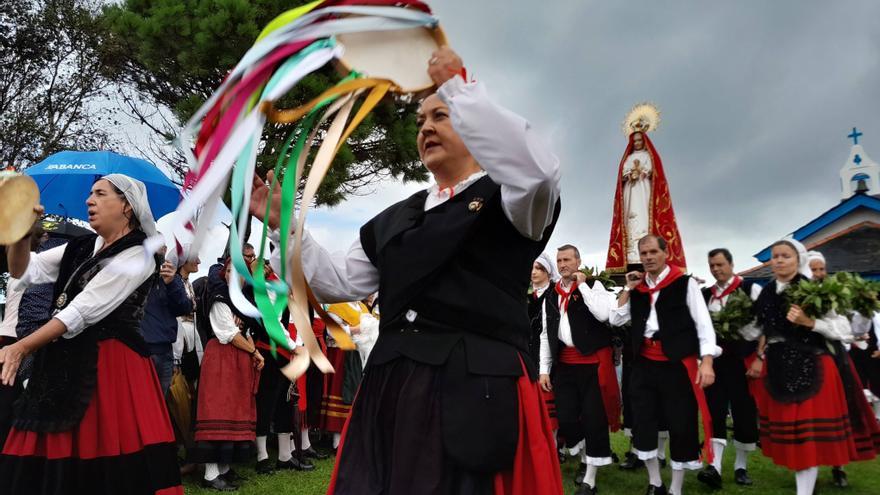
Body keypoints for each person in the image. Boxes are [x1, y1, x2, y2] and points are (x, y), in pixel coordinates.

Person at [254, 46, 563, 494]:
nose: (426, 128)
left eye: (442, 116)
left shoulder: (511, 198)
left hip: (477, 387)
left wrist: (459, 89)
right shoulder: (397, 217)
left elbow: (538, 173)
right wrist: (285, 224)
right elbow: (336, 281)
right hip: (394, 384)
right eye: (421, 121)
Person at [0, 174, 182, 494]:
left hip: (111, 366)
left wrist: (21, 348)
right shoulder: (82, 245)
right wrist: (19, 234)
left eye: (100, 193)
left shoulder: (138, 253)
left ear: (126, 205)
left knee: (106, 454)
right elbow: (23, 272)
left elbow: (84, 310)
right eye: (90, 194)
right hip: (62, 357)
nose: (89, 200)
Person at [744, 239, 880, 495]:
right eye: (775, 256)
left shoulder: (813, 289)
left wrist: (810, 322)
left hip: (814, 366)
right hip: (779, 367)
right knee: (795, 437)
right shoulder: (767, 291)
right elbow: (757, 330)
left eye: (786, 255)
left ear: (799, 259)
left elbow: (843, 329)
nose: (780, 260)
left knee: (808, 436)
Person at [610, 234, 717, 495]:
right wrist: (627, 288)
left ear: (665, 253)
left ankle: (676, 488)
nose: (647, 257)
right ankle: (655, 482)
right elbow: (615, 319)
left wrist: (707, 362)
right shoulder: (638, 288)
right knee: (643, 423)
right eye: (643, 253)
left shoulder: (684, 283)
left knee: (681, 423)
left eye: (652, 252)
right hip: (644, 363)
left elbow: (703, 323)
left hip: (676, 364)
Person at [539, 245, 618, 495]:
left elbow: (604, 314)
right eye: (560, 260)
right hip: (566, 366)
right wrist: (544, 370)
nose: (563, 264)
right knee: (567, 418)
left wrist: (582, 285)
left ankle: (590, 480)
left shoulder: (594, 286)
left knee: (594, 419)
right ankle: (585, 457)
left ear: (578, 261)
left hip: (592, 364)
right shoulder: (550, 295)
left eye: (568, 260)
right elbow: (545, 334)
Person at [189, 260, 265, 491]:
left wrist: (256, 353)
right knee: (217, 410)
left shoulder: (243, 301)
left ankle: (223, 469)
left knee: (234, 411)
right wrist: (252, 350)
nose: (235, 275)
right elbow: (228, 333)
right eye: (230, 270)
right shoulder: (219, 297)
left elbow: (247, 331)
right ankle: (210, 475)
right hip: (221, 358)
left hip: (239, 358)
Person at [696, 248, 762, 489]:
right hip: (716, 361)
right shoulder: (706, 295)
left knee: (744, 411)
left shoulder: (750, 289)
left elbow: (765, 326)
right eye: (712, 265)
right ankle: (715, 467)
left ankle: (741, 466)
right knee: (715, 410)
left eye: (720, 264)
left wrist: (759, 358)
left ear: (731, 264)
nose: (716, 269)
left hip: (743, 359)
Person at [606, 131, 686, 273]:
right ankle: (632, 256)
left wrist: (642, 173)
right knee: (631, 219)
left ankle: (646, 249)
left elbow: (652, 172)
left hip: (644, 191)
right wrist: (629, 175)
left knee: (643, 218)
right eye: (635, 141)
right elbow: (622, 175)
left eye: (639, 140)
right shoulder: (628, 158)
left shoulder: (648, 156)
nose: (637, 143)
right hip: (630, 191)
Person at [142, 241, 194, 395]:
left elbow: (184, 307)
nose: (163, 249)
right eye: (158, 245)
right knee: (143, 400)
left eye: (164, 246)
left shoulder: (171, 277)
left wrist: (171, 283)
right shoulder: (139, 277)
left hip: (165, 352)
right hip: (143, 351)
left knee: (160, 402)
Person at [528, 252, 560, 445]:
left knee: (550, 408)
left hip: (549, 356)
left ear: (548, 272)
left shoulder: (554, 295)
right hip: (528, 354)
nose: (534, 272)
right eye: (532, 268)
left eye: (539, 268)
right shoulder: (528, 296)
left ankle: (554, 447)